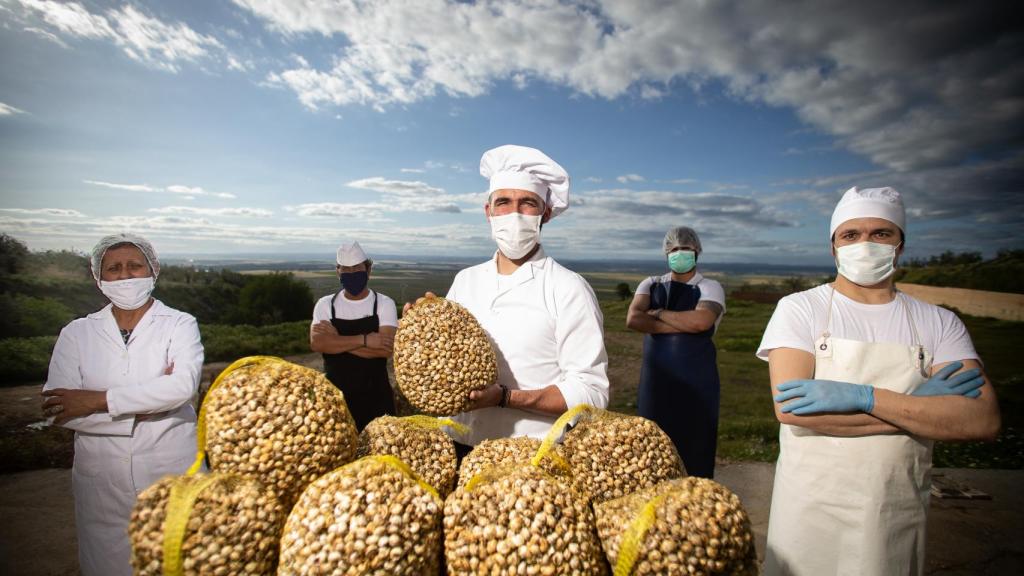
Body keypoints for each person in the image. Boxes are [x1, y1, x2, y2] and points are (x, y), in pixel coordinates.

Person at [756, 186, 1001, 575]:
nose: (865, 243)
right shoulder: (801, 309)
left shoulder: (938, 322)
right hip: (812, 503)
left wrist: (866, 397)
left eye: (880, 233)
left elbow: (982, 420)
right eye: (850, 235)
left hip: (895, 502)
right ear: (833, 247)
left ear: (900, 245)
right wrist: (919, 406)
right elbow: (790, 411)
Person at [412, 144, 609, 451]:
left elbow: (591, 392)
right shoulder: (466, 280)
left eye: (527, 203)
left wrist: (506, 397)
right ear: (488, 211)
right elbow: (441, 365)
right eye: (503, 202)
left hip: (534, 456)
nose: (514, 213)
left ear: (545, 213)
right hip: (458, 445)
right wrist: (419, 330)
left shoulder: (568, 288)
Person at [41, 233, 204, 576]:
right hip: (102, 481)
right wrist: (150, 402)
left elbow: (181, 387)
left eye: (135, 265)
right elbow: (60, 408)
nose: (126, 275)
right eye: (114, 268)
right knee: (108, 564)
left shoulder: (179, 324)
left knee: (183, 560)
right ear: (99, 279)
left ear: (152, 270)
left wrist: (96, 400)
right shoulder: (76, 333)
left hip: (169, 469)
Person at [626, 226, 725, 478]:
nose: (680, 253)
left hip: (698, 382)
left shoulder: (710, 287)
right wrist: (682, 324)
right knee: (653, 444)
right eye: (674, 249)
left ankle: (695, 500)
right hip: (655, 381)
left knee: (696, 443)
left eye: (686, 249)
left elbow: (702, 321)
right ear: (666, 253)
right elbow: (634, 319)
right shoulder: (650, 284)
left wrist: (658, 314)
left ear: (697, 251)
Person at [310, 241, 397, 430]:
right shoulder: (325, 305)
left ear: (368, 270)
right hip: (336, 398)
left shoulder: (384, 303)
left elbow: (386, 349)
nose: (351, 274)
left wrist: (336, 340)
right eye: (346, 270)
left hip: (377, 397)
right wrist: (365, 340)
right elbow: (318, 343)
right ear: (338, 272)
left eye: (357, 269)